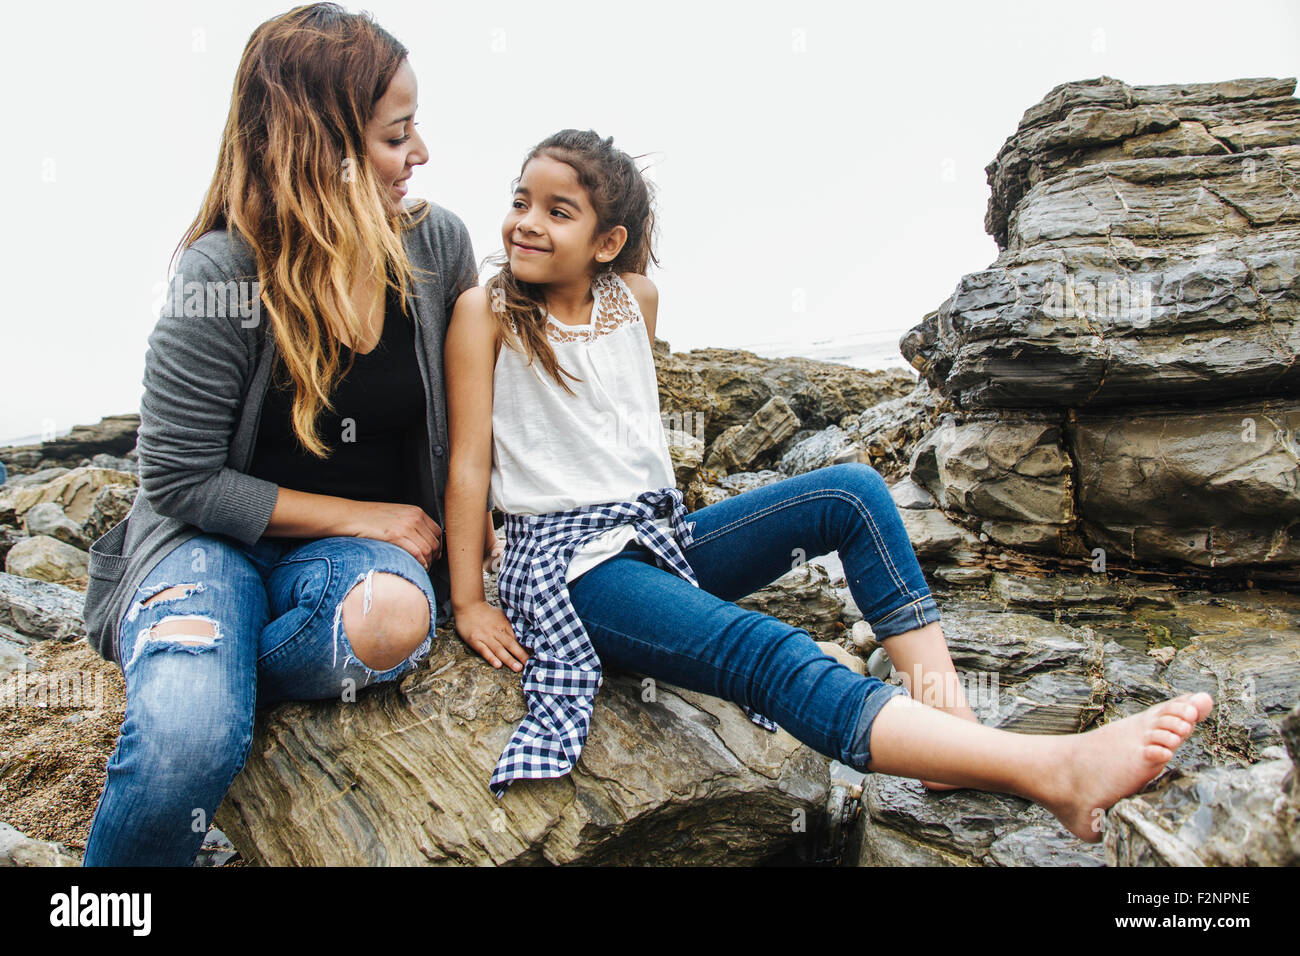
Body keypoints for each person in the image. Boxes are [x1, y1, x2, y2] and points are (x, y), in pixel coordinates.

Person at [443, 129, 1214, 842]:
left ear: (608, 241)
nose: (526, 223)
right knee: (767, 648)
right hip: (572, 569)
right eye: (520, 201)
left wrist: (624, 212)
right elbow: (471, 464)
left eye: (558, 210)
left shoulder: (632, 300)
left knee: (850, 492)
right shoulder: (487, 315)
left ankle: (950, 738)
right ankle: (1047, 769)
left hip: (658, 537)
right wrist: (473, 599)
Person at [80, 3, 493, 866]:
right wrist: (365, 517)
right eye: (396, 135)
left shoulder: (437, 247)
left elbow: (482, 411)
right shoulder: (222, 272)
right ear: (322, 145)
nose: (421, 154)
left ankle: (198, 660)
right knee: (189, 741)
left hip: (347, 572)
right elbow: (181, 480)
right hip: (206, 540)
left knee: (391, 623)